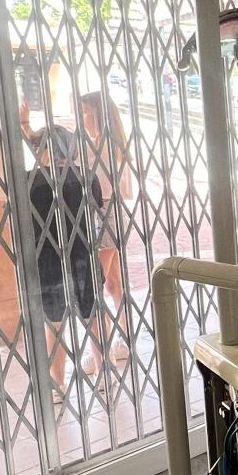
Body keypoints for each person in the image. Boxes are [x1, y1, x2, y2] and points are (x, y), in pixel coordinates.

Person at [24, 114, 104, 407]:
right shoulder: (87, 177)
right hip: (83, 254)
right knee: (93, 316)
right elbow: (96, 209)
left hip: (47, 259)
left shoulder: (29, 181)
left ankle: (57, 383)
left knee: (54, 323)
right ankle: (105, 372)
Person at [78, 91, 137, 366]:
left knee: (95, 286)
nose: (82, 119)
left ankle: (103, 354)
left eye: (86, 113)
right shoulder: (113, 144)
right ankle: (124, 340)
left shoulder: (101, 147)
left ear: (98, 115)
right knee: (113, 283)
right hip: (112, 214)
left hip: (104, 215)